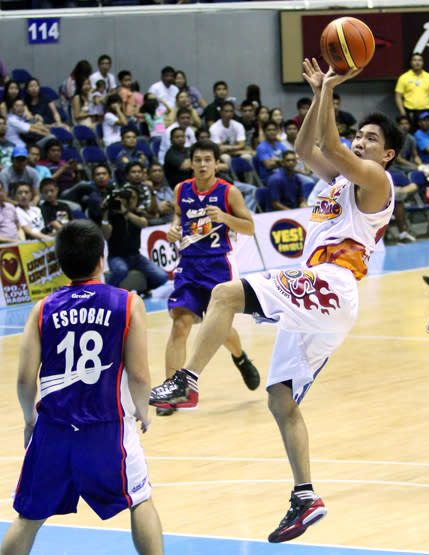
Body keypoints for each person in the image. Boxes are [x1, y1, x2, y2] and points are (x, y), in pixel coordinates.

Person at [148, 58, 403, 543]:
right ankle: (305, 496)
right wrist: (319, 98)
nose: (361, 140)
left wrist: (328, 89)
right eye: (361, 135)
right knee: (279, 397)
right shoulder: (337, 181)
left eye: (371, 138)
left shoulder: (377, 183)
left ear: (387, 154)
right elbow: (308, 146)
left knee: (225, 293)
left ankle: (187, 381)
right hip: (322, 300)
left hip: (330, 283)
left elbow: (329, 143)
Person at [0, 219, 163, 555]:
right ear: (101, 259)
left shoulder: (41, 309)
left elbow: (24, 379)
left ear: (60, 263)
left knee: (28, 517)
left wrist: (30, 419)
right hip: (106, 429)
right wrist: (143, 411)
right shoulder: (128, 303)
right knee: (140, 499)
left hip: (54, 430)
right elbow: (140, 375)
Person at [153, 139, 260, 416]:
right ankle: (171, 393)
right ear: (191, 163)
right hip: (188, 265)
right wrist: (174, 230)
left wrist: (225, 217)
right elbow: (179, 218)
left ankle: (240, 357)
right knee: (180, 325)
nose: (202, 164)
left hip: (218, 266)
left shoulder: (229, 192)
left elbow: (249, 227)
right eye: (197, 160)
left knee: (219, 329)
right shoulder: (181, 190)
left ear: (216, 163)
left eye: (207, 160)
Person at [101, 183, 168, 292]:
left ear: (137, 200)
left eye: (133, 198)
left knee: (162, 277)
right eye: (127, 197)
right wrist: (105, 212)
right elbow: (106, 235)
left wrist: (125, 213)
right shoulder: (113, 213)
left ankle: (143, 288)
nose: (130, 200)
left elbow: (143, 223)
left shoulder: (137, 213)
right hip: (116, 256)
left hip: (136, 256)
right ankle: (106, 291)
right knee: (121, 270)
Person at [395, 52, 429, 130]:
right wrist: (403, 113)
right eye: (414, 60)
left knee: (425, 132)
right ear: (411, 62)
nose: (417, 62)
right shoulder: (404, 77)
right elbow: (398, 97)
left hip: (425, 111)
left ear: (423, 62)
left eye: (419, 60)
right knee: (411, 132)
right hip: (409, 111)